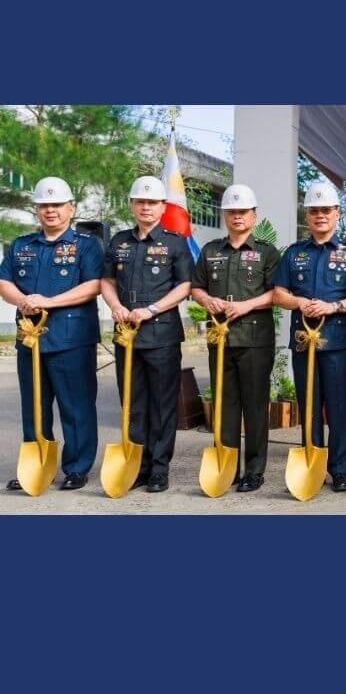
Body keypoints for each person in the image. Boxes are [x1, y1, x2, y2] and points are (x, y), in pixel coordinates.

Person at [0, 177, 103, 491]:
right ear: (36, 210)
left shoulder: (86, 245)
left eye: (57, 204)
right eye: (44, 205)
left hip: (70, 339)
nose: (51, 211)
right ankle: (38, 465)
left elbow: (95, 285)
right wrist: (23, 301)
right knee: (34, 407)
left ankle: (76, 467)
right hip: (29, 338)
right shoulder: (22, 245)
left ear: (71, 208)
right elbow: (4, 282)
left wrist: (49, 302)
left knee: (76, 407)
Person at [100, 175, 194, 493]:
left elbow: (184, 286)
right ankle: (137, 465)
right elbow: (107, 282)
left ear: (163, 206)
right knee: (133, 403)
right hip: (126, 335)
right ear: (131, 205)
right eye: (140, 201)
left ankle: (158, 468)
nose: (146, 207)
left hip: (162, 335)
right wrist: (114, 306)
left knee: (163, 404)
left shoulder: (175, 242)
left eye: (152, 202)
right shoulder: (119, 241)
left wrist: (152, 309)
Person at [273, 181, 346, 492]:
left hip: (337, 341)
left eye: (326, 210)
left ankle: (339, 470)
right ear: (307, 215)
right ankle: (312, 463)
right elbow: (278, 294)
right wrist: (299, 302)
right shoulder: (294, 253)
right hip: (303, 340)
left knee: (338, 406)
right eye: (314, 211)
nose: (320, 215)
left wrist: (334, 305)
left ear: (337, 213)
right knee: (308, 404)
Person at [191, 183, 281, 492]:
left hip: (254, 340)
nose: (237, 217)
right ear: (224, 216)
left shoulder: (267, 252)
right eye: (231, 212)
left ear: (254, 216)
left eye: (243, 212)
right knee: (225, 405)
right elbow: (196, 287)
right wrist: (207, 301)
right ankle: (226, 465)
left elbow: (277, 294)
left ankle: (254, 471)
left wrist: (246, 305)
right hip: (220, 340)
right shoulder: (211, 250)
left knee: (254, 406)